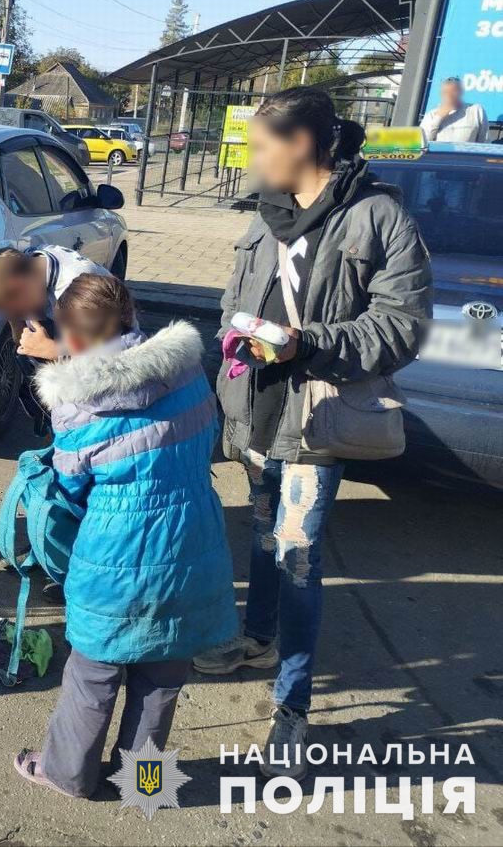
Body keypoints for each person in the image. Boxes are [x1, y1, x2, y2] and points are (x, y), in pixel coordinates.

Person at [197, 87, 432, 779]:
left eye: (261, 146)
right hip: (255, 414)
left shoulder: (378, 217)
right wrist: (234, 343)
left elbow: (402, 325)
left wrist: (307, 344)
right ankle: (259, 638)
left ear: (301, 146)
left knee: (299, 561)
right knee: (264, 537)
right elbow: (232, 300)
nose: (251, 159)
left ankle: (292, 707)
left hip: (315, 421)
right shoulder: (265, 216)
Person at [12, 273, 237, 799]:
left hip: (116, 557)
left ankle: (67, 774)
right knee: (162, 680)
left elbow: (69, 485)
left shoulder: (75, 405)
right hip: (192, 545)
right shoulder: (186, 370)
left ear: (73, 339)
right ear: (130, 316)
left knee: (92, 675)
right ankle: (145, 783)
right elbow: (207, 435)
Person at [0, 244, 110, 437]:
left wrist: (51, 349)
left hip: (111, 403)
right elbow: (19, 337)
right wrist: (17, 319)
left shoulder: (81, 290)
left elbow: (110, 360)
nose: (12, 315)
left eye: (10, 307)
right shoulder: (31, 263)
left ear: (18, 285)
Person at [420, 77, 488, 143]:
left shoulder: (476, 111)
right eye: (445, 92)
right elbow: (419, 144)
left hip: (466, 154)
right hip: (441, 154)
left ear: (461, 92)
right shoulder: (431, 115)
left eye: (453, 91)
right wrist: (438, 117)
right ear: (441, 95)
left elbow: (484, 143)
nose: (449, 95)